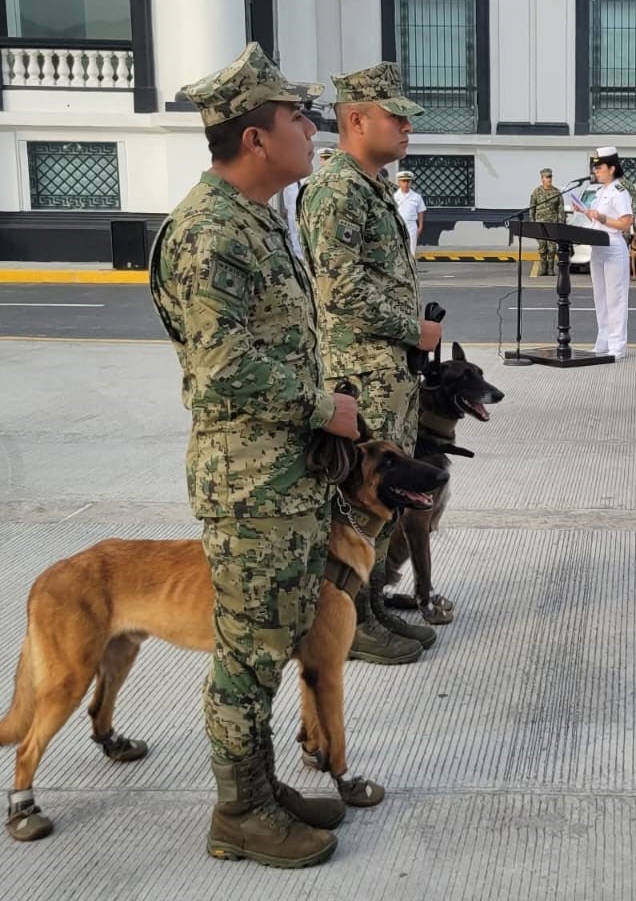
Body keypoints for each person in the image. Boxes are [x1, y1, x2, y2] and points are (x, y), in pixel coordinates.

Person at [145, 43, 359, 868]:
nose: (312, 129)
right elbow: (222, 368)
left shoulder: (257, 219)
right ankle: (238, 811)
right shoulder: (207, 233)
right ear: (256, 138)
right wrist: (324, 408)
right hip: (250, 485)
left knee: (270, 646)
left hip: (287, 478)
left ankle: (263, 791)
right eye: (298, 117)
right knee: (248, 654)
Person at [300, 61, 443, 665]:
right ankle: (350, 620)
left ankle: (373, 600)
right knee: (359, 501)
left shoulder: (373, 186)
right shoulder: (337, 190)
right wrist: (416, 328)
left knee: (383, 502)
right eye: (396, 115)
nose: (407, 126)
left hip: (389, 371)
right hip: (360, 370)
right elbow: (341, 289)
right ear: (356, 119)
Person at [574, 146, 634, 360]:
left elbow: (626, 223)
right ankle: (603, 341)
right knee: (600, 297)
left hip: (613, 248)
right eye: (595, 167)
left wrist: (601, 218)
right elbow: (597, 218)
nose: (596, 171)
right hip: (597, 248)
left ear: (612, 168)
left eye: (599, 167)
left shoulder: (620, 192)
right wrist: (584, 211)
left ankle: (617, 346)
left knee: (615, 298)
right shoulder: (600, 193)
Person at [527, 167, 566, 277]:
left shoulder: (556, 192)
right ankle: (543, 268)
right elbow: (531, 209)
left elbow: (560, 209)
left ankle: (550, 269)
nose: (549, 179)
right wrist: (532, 223)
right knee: (542, 247)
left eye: (550, 177)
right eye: (547, 177)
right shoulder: (536, 192)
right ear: (542, 178)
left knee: (552, 248)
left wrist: (560, 223)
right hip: (540, 225)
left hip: (552, 225)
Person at [393, 169, 426, 261]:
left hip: (411, 225)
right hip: (398, 224)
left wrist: (420, 226)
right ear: (399, 182)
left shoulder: (416, 197)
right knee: (398, 247)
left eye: (408, 181)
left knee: (411, 248)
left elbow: (420, 212)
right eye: (403, 181)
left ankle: (411, 269)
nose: (406, 184)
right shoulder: (394, 196)